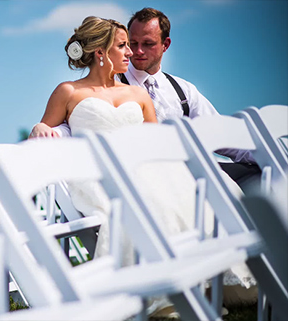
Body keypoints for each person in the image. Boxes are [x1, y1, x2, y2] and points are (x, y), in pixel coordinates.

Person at [32, 14, 256, 316]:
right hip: (103, 174)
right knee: (154, 198)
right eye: (124, 46)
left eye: (134, 45)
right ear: (101, 52)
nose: (131, 53)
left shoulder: (138, 94)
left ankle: (206, 283)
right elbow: (47, 128)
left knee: (206, 190)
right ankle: (167, 292)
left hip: (149, 165)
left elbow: (157, 141)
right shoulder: (69, 91)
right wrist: (39, 128)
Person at [30, 7, 260, 192]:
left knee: (253, 176)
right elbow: (73, 126)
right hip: (114, 179)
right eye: (129, 44)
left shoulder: (182, 91)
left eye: (147, 44)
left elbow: (218, 134)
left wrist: (264, 156)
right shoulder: (75, 90)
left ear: (165, 45)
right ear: (102, 51)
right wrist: (47, 129)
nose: (135, 51)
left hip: (174, 170)